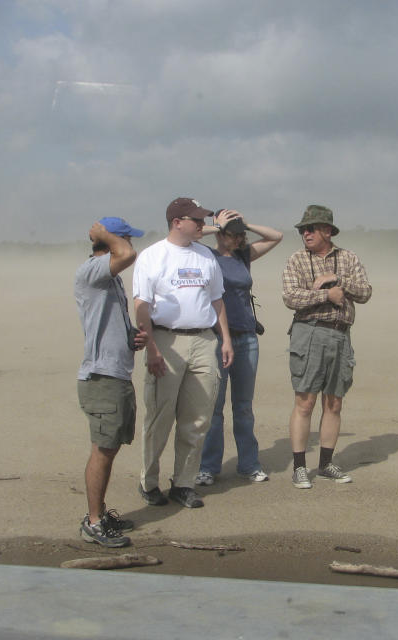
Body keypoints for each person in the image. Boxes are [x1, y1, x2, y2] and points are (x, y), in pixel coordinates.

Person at [132, 197, 234, 509]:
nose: (203, 225)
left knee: (198, 418)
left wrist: (225, 339)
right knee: (160, 417)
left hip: (204, 341)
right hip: (166, 341)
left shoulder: (206, 256)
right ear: (177, 222)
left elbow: (216, 300)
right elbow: (141, 305)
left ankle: (184, 483)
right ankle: (149, 483)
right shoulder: (152, 256)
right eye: (197, 220)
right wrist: (151, 348)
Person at [281, 204, 372, 489]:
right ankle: (299, 467)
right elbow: (290, 297)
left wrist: (338, 281)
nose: (305, 233)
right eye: (302, 229)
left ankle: (326, 463)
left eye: (310, 228)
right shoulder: (297, 260)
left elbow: (366, 291)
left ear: (328, 231)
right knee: (305, 401)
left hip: (341, 334)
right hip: (309, 333)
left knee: (334, 401)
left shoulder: (348, 258)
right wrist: (323, 294)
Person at [195, 209, 283, 486]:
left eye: (239, 233)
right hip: (215, 337)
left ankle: (249, 464)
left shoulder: (244, 255)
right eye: (231, 233)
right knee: (214, 407)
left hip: (246, 337)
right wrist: (217, 226)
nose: (237, 237)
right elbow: (188, 236)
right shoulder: (204, 255)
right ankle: (209, 466)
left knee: (243, 406)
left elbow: (276, 236)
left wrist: (243, 224)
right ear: (220, 233)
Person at [74, 216, 146, 547]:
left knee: (111, 447)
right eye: (126, 238)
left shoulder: (111, 278)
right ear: (112, 240)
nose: (131, 244)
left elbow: (108, 322)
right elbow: (128, 254)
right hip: (101, 376)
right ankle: (93, 523)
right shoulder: (93, 270)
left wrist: (131, 337)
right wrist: (103, 234)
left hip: (115, 373)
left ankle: (99, 514)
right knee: (102, 450)